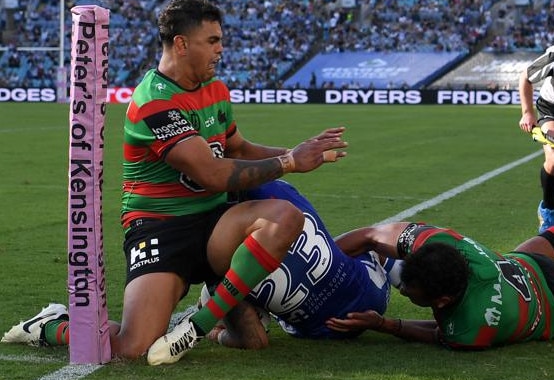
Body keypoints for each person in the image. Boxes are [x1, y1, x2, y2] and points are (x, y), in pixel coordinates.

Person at [1, 0, 347, 365]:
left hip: (214, 223)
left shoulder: (215, 89)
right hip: (160, 229)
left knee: (286, 216)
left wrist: (295, 150)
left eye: (221, 40)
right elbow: (212, 174)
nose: (221, 50)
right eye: (212, 41)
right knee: (130, 349)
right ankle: (52, 323)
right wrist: (291, 161)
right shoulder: (153, 100)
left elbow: (239, 149)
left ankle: (199, 324)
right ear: (182, 44)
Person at [199, 180, 401, 349]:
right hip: (373, 294)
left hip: (324, 330)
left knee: (217, 293)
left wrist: (216, 334)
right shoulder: (276, 190)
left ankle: (239, 312)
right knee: (366, 243)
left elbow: (255, 341)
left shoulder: (216, 260)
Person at [325, 222, 554, 350]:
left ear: (442, 301)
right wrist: (322, 266)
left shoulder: (469, 331)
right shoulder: (442, 243)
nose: (402, 290)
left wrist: (383, 324)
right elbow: (370, 236)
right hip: (529, 263)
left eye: (409, 292)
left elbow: (436, 333)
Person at [518, 45, 554, 232]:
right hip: (551, 109)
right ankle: (548, 212)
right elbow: (525, 77)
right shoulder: (553, 56)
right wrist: (527, 113)